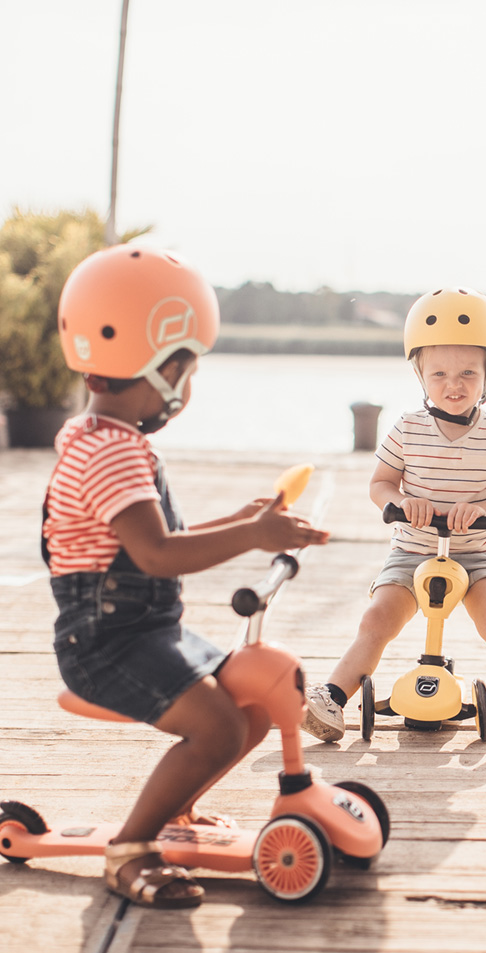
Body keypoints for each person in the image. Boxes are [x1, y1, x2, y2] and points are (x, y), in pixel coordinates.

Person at [43, 244, 329, 908]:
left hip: (146, 632)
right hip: (107, 644)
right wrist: (253, 536)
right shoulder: (111, 453)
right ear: (160, 366)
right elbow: (155, 557)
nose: (188, 387)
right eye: (188, 369)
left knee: (248, 708)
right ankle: (130, 849)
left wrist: (236, 519)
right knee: (222, 728)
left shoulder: (104, 439)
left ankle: (178, 807)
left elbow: (158, 542)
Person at [302, 286, 486, 746]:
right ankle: (333, 698)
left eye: (467, 372)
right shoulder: (407, 427)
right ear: (420, 374)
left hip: (477, 553)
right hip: (412, 547)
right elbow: (380, 483)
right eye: (439, 373)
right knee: (378, 618)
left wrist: (485, 509)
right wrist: (403, 503)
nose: (453, 385)